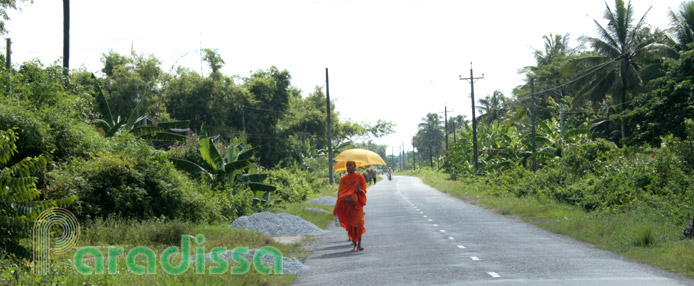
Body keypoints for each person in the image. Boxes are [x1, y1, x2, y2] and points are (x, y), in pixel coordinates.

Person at [333, 161, 367, 252]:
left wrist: (359, 190)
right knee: (351, 226)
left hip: (357, 206)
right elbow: (341, 192)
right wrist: (345, 199)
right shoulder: (343, 179)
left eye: (350, 165)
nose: (348, 167)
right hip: (348, 205)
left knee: (359, 224)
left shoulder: (359, 177)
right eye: (347, 165)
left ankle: (359, 243)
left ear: (355, 166)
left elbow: (364, 190)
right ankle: (355, 244)